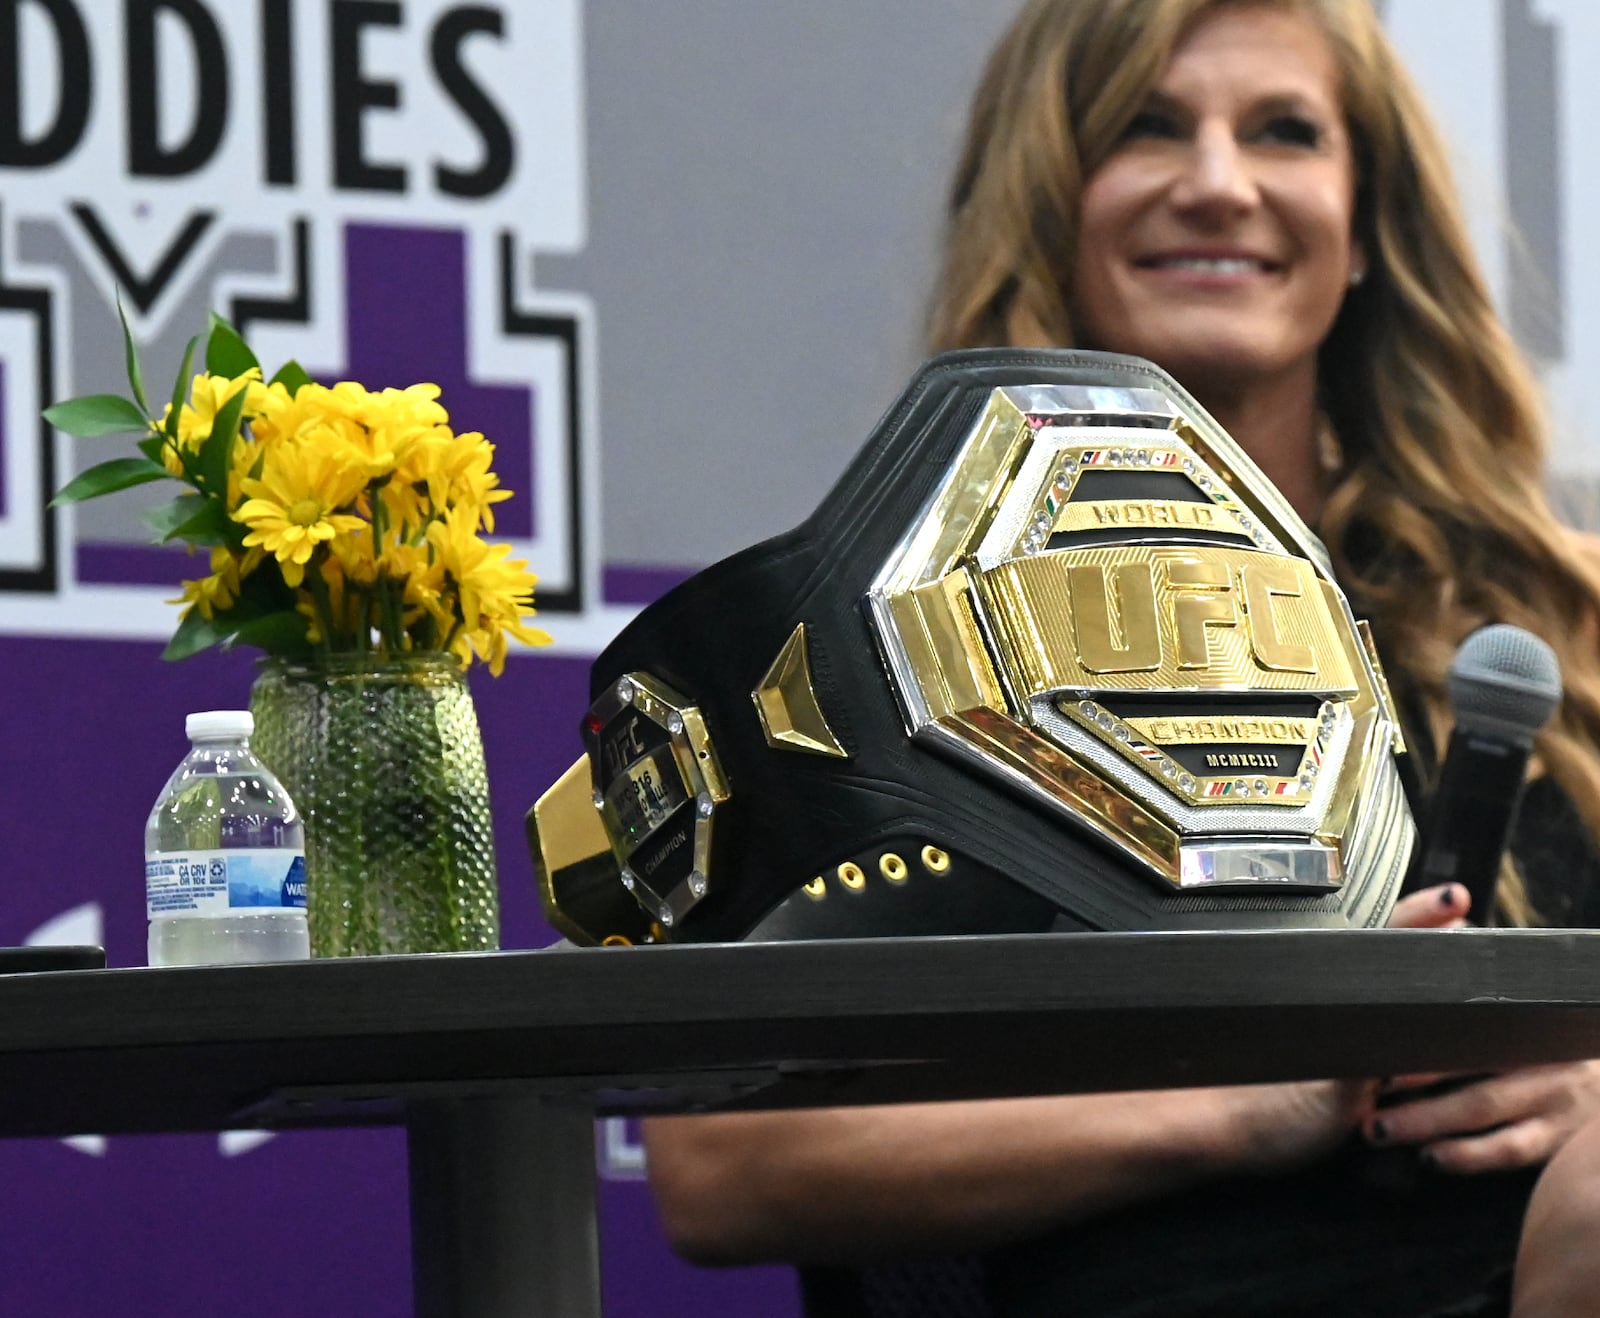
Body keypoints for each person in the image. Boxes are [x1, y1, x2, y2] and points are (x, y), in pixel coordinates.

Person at [643, 1, 1600, 1314]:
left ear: (1366, 223)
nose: (1220, 183)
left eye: (1284, 132)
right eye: (1147, 128)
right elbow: (718, 1162)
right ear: (1051, 200)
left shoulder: (1558, 619)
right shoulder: (890, 635)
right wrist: (1241, 1104)